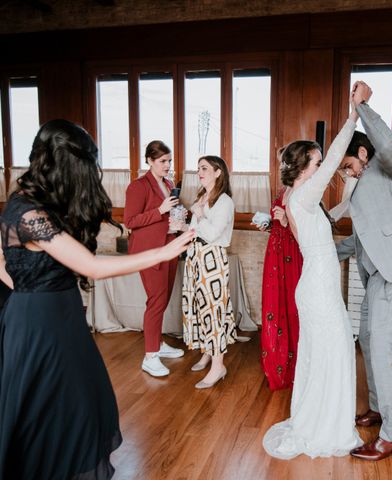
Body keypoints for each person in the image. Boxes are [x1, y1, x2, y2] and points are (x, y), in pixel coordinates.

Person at [0, 119, 194, 479]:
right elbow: (91, 266)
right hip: (41, 325)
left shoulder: (29, 205)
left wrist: (27, 287)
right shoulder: (27, 212)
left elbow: (2, 264)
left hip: (58, 314)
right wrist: (163, 252)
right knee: (48, 408)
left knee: (78, 402)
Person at [262, 86, 365, 460]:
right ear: (303, 168)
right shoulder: (302, 195)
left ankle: (319, 419)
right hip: (318, 287)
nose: (323, 168)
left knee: (324, 354)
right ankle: (326, 428)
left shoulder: (294, 198)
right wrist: (353, 115)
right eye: (317, 163)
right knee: (333, 353)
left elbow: (310, 228)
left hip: (315, 284)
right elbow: (339, 150)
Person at [336, 81, 392, 461]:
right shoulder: (357, 191)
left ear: (361, 152)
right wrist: (322, 251)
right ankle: (377, 409)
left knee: (384, 351)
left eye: (347, 166)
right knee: (369, 344)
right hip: (374, 279)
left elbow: (387, 146)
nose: (344, 174)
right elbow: (360, 241)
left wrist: (363, 108)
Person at [124, 140, 186, 377]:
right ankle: (150, 356)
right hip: (150, 252)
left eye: (169, 161)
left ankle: (158, 344)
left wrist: (178, 215)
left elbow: (167, 216)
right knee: (156, 301)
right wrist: (159, 211)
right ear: (149, 160)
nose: (168, 165)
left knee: (164, 298)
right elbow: (130, 222)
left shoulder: (168, 183)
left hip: (169, 246)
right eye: (163, 161)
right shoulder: (138, 186)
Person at [181, 156, 237, 389]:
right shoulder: (203, 197)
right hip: (195, 257)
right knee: (198, 306)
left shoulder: (224, 201)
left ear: (218, 173)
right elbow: (196, 230)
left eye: (204, 168)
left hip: (212, 258)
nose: (199, 172)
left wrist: (201, 214)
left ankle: (218, 366)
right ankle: (206, 351)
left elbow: (213, 233)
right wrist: (183, 227)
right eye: (198, 169)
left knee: (212, 310)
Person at [258, 186, 303, 390]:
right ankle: (277, 360)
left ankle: (295, 367)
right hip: (275, 251)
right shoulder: (282, 190)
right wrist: (268, 225)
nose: (284, 166)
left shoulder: (304, 192)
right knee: (274, 305)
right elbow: (278, 223)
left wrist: (286, 222)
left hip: (292, 254)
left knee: (293, 308)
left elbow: (310, 233)